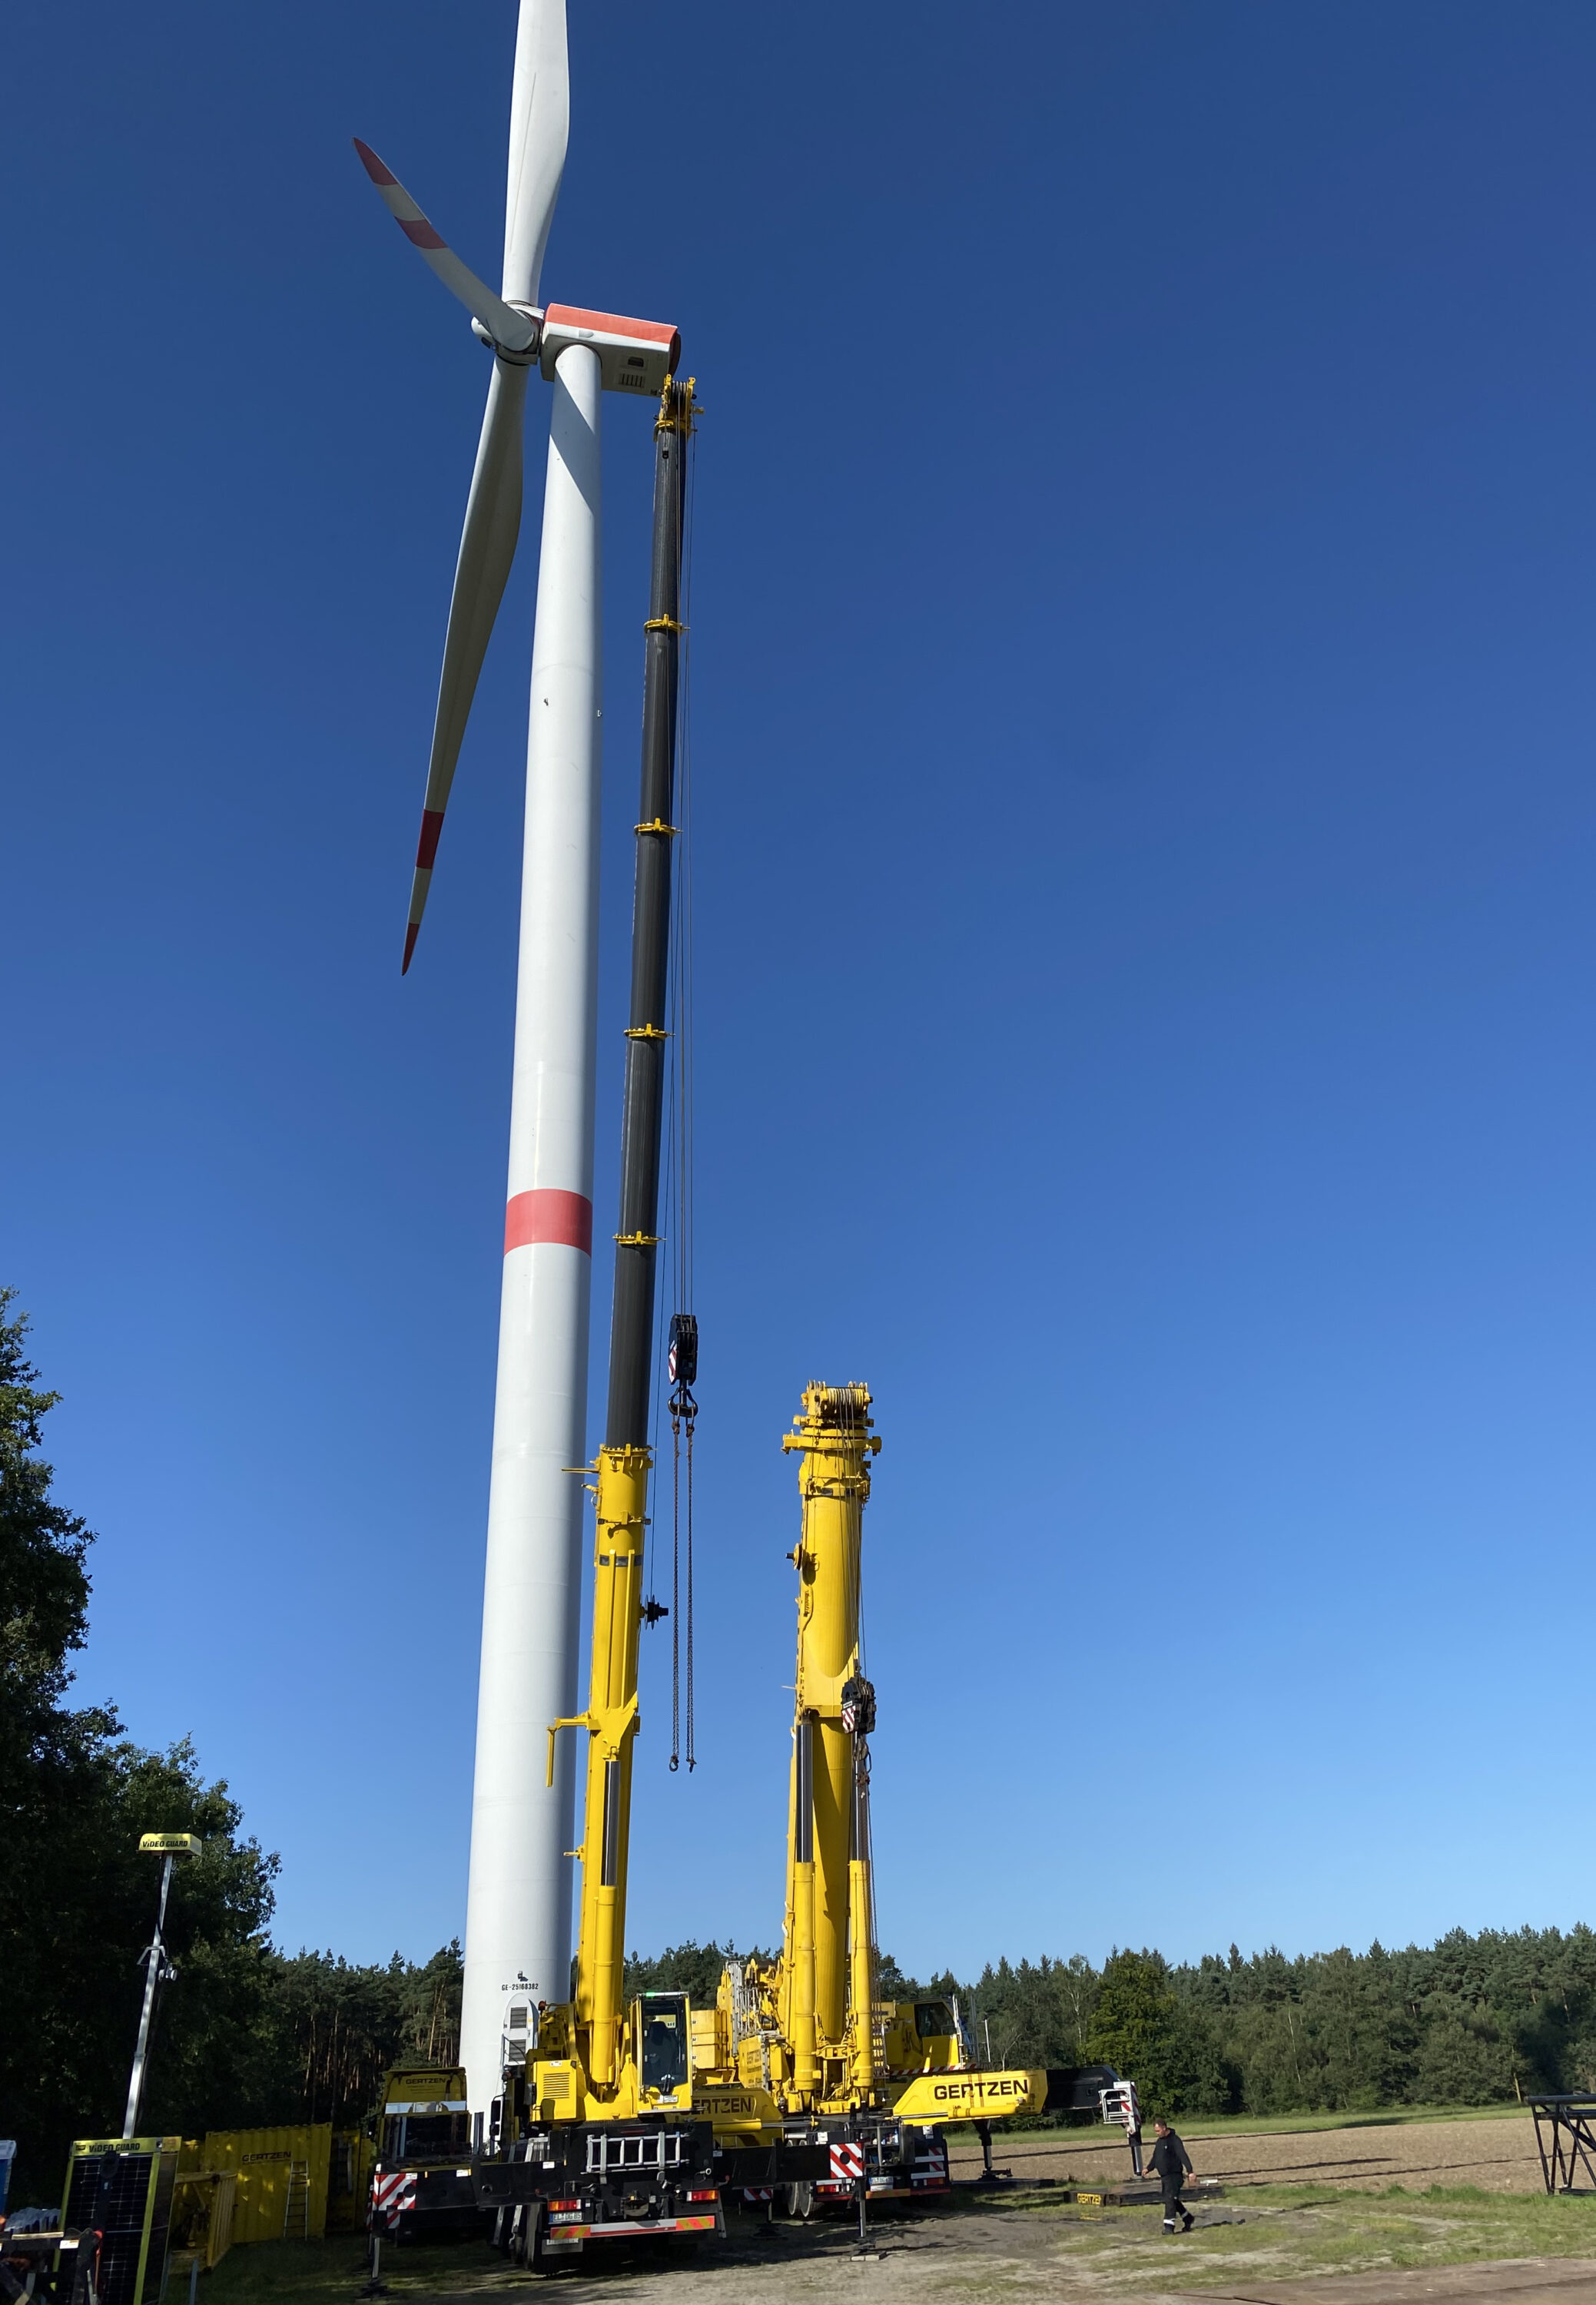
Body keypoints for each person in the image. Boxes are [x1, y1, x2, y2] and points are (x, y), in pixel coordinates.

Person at [1146, 2116, 1195, 2232]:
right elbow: (1156, 2157)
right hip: (1165, 2176)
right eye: (1155, 2131)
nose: (1157, 2133)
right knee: (1172, 2199)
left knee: (1170, 2199)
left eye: (1158, 2131)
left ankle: (1169, 2227)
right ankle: (1188, 2218)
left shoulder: (1174, 2140)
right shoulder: (1159, 2142)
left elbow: (1183, 2155)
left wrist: (1190, 2171)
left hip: (1174, 2175)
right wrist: (1148, 2168)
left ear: (1164, 2128)